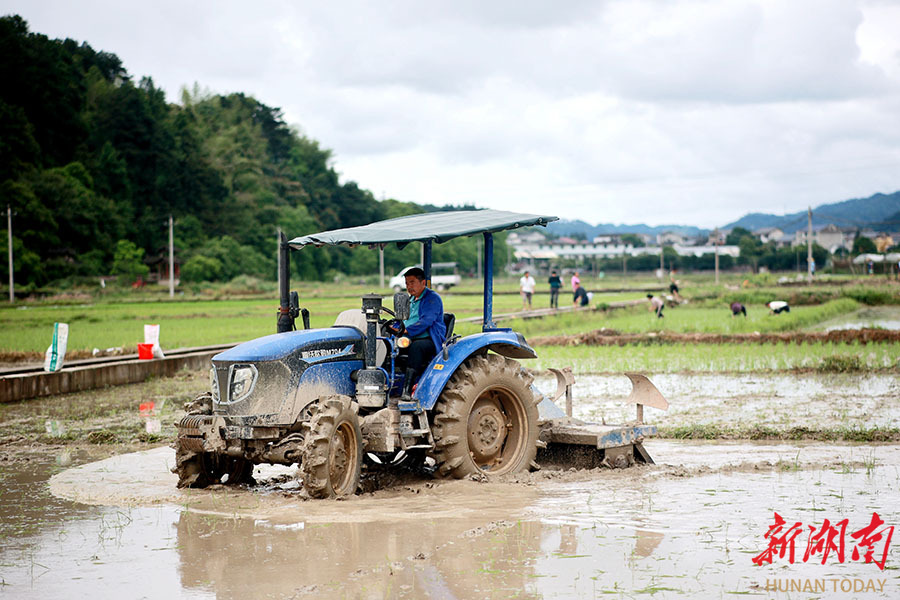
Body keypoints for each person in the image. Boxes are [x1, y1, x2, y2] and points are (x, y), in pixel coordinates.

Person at [387, 267, 447, 398]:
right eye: (407, 283)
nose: (409, 286)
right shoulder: (411, 300)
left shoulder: (432, 299)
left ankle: (407, 390)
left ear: (423, 282)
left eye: (412, 282)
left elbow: (426, 321)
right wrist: (392, 327)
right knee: (386, 345)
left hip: (429, 338)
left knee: (417, 348)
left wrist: (405, 330)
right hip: (408, 337)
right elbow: (403, 320)